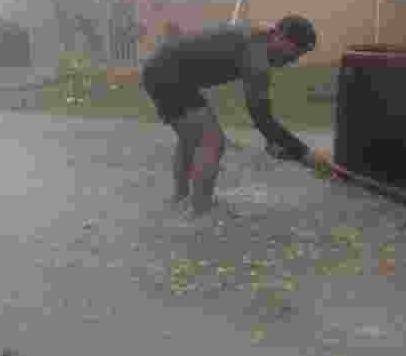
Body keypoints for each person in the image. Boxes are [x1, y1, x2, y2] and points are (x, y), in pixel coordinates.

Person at [141, 15, 331, 219]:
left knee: (191, 140)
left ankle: (181, 199)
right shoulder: (256, 58)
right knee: (211, 141)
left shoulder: (261, 36)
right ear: (281, 38)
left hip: (161, 68)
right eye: (295, 53)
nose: (293, 61)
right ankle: (201, 212)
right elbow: (262, 119)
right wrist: (305, 154)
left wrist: (274, 142)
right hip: (168, 73)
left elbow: (263, 121)